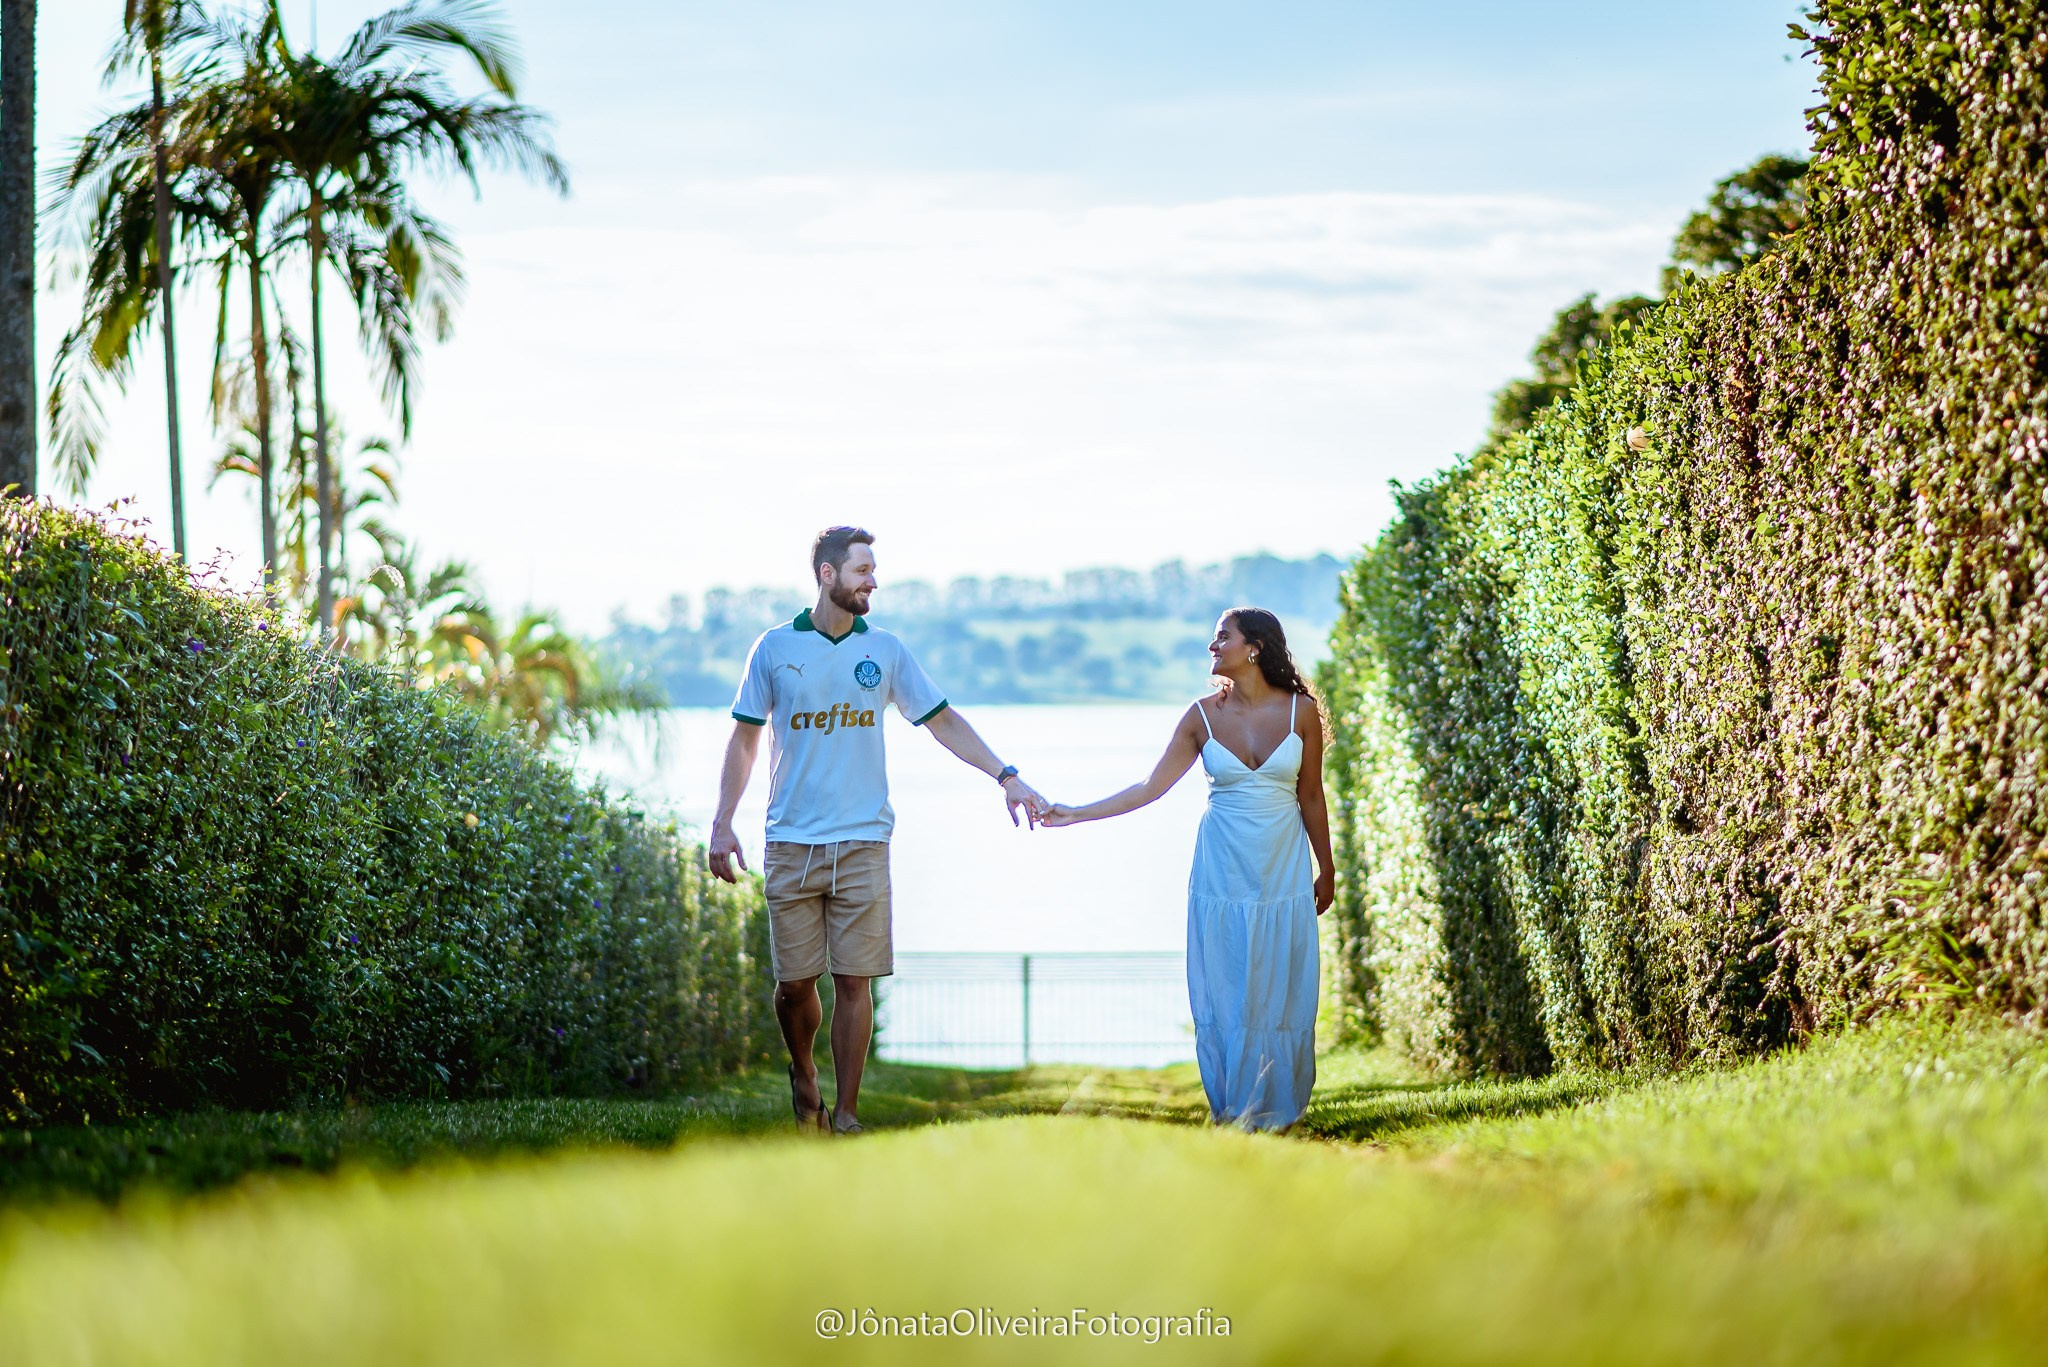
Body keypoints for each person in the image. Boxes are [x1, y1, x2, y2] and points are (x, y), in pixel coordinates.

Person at [708, 526, 1049, 1135]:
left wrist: (1006, 775)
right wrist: (722, 822)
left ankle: (845, 1111)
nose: (874, 581)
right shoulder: (773, 647)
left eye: (873, 570)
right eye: (863, 570)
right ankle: (804, 1074)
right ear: (827, 575)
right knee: (793, 986)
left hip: (865, 839)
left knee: (855, 980)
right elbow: (744, 737)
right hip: (790, 841)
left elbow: (943, 721)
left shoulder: (885, 650)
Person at [1041, 607, 1334, 1132]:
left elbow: (1310, 795)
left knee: (1279, 983)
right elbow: (1149, 789)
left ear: (1255, 648)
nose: (1212, 645)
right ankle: (1235, 1108)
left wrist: (1327, 868)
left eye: (1223, 636)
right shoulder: (1200, 716)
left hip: (1282, 866)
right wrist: (1075, 812)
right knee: (1227, 984)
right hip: (1221, 868)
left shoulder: (1301, 712)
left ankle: (1279, 1105)